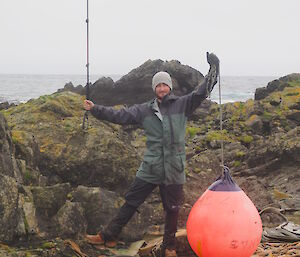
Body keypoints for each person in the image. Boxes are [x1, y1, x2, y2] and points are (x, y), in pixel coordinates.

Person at [84, 52, 220, 257]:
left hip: (174, 167)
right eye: (158, 85)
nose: (162, 88)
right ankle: (108, 235)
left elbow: (203, 91)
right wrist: (95, 109)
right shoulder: (143, 110)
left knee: (172, 209)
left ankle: (170, 247)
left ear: (170, 87)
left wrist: (214, 69)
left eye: (165, 85)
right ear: (154, 88)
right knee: (131, 201)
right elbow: (119, 115)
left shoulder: (183, 104)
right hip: (151, 166)